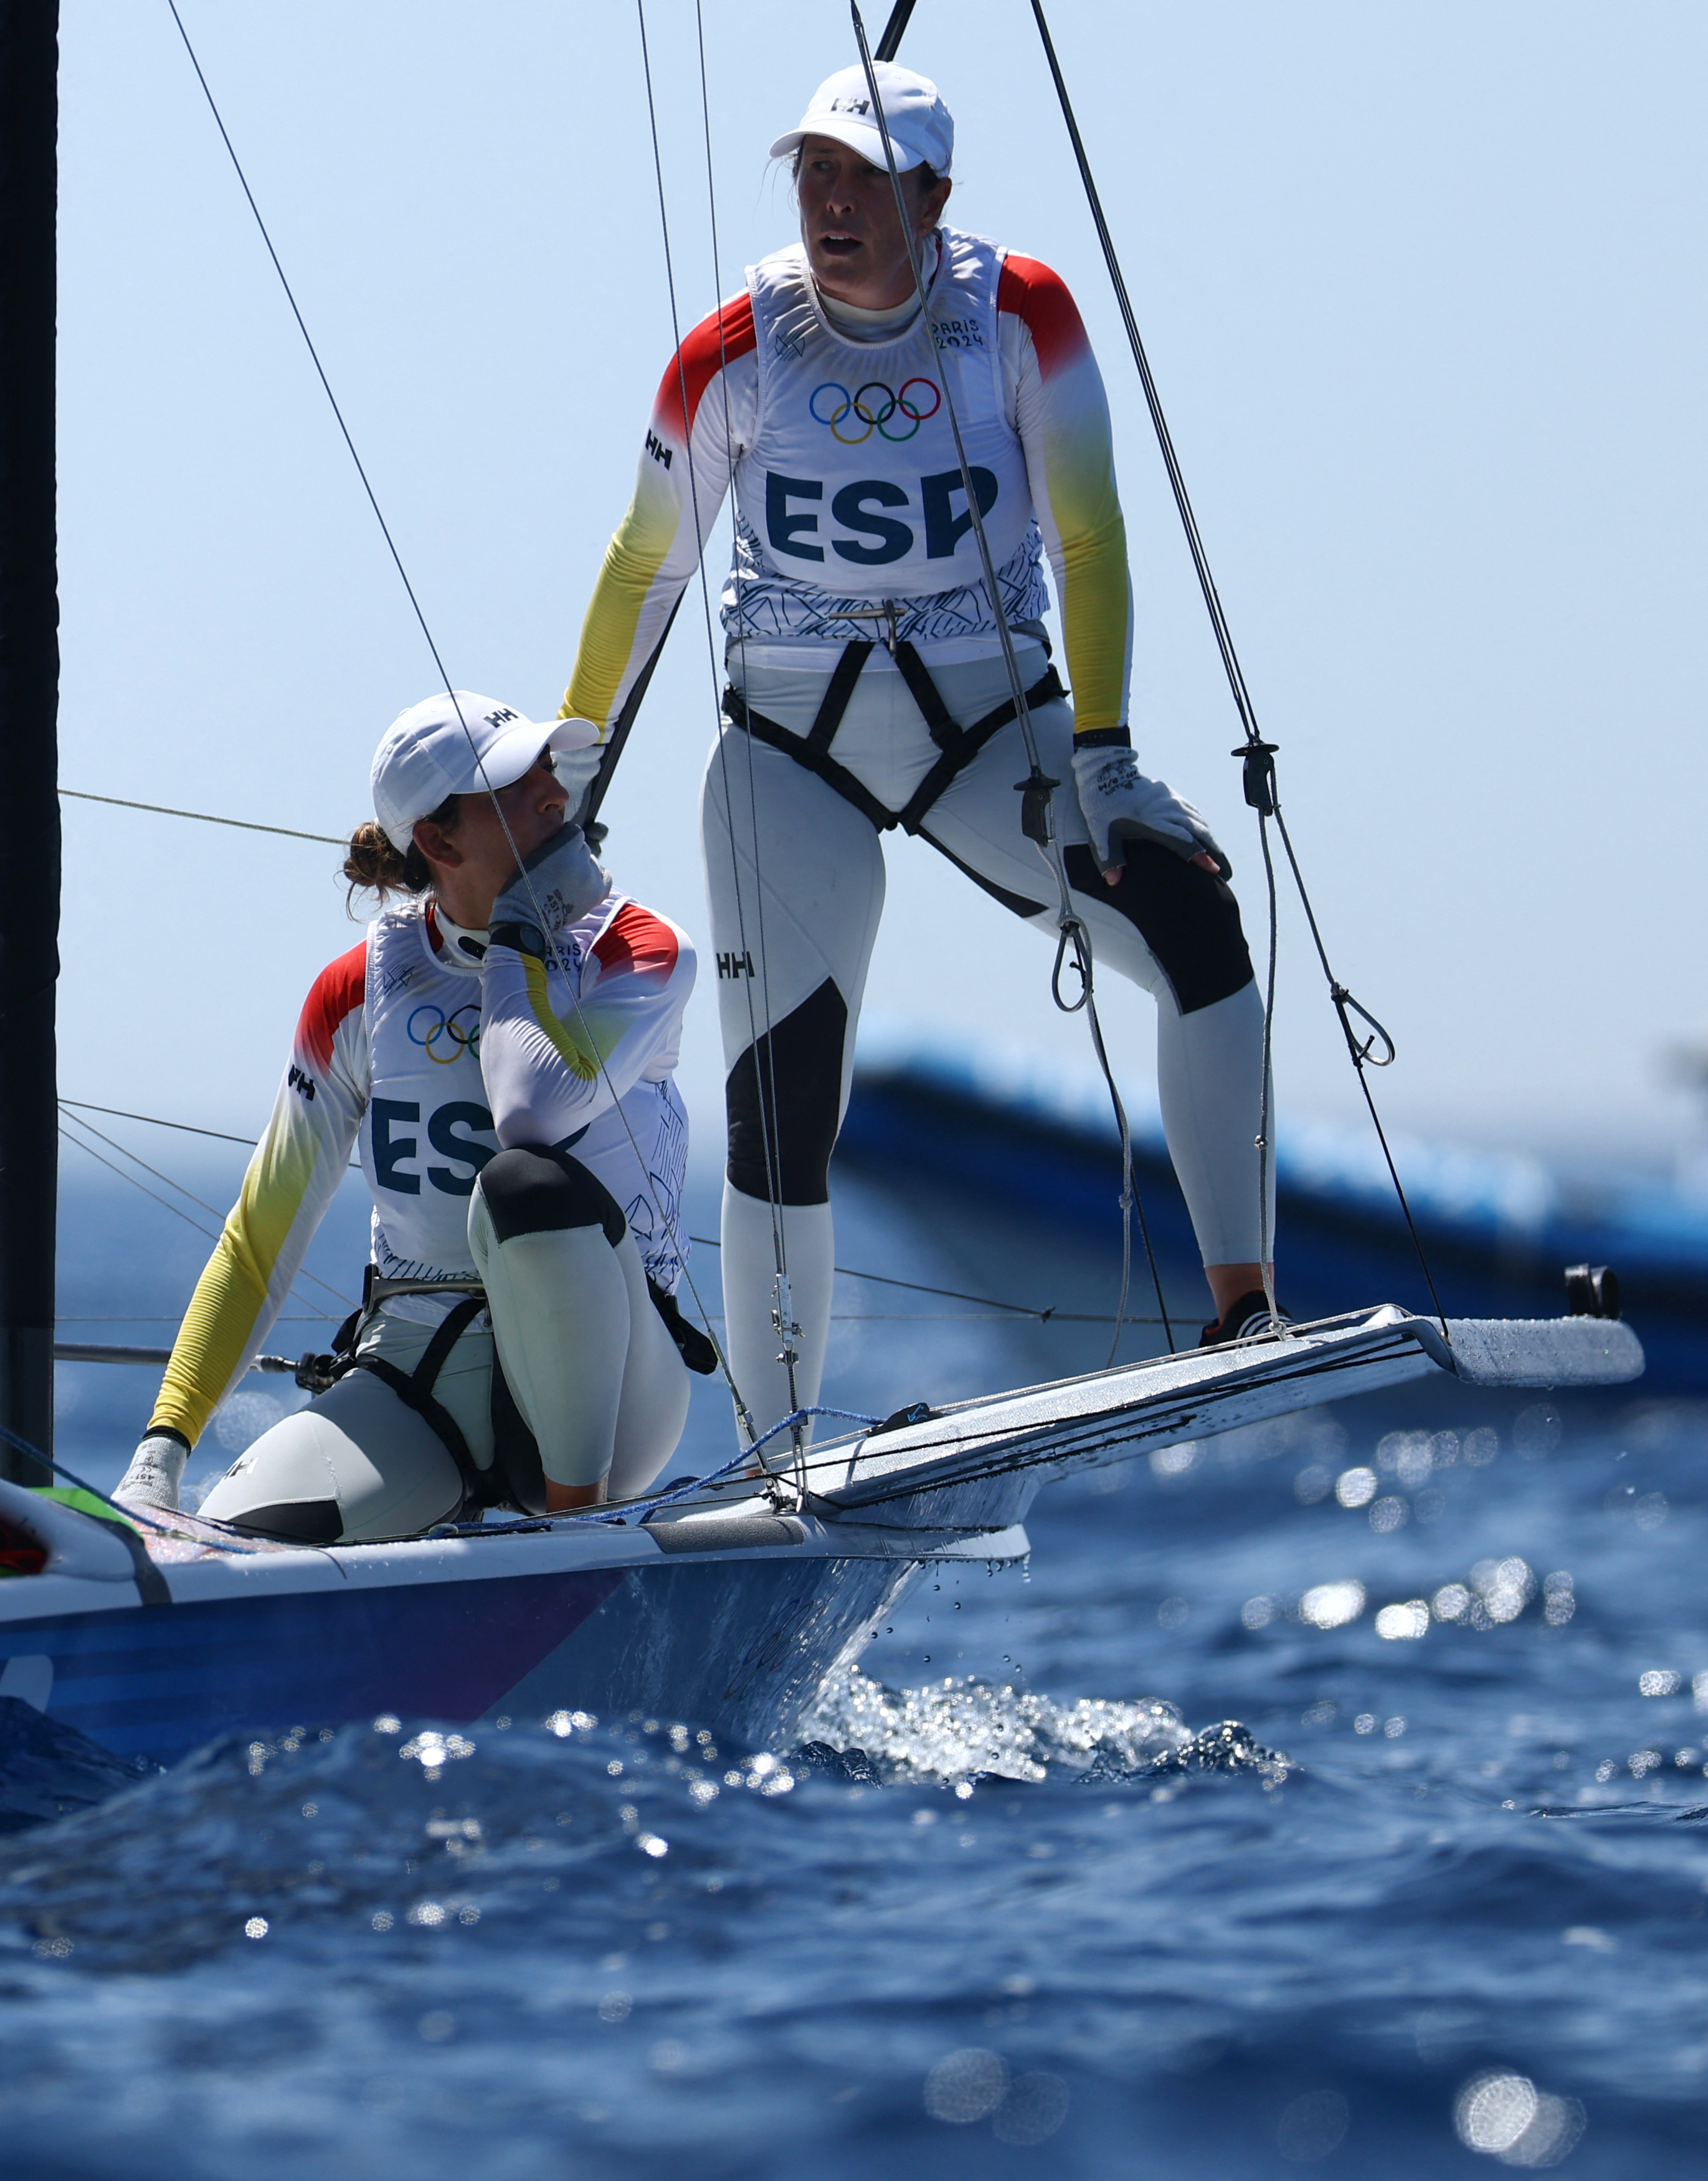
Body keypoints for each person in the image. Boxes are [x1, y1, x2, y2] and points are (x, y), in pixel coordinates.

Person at [553, 60, 1274, 1440]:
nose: (829, 201)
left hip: (989, 731)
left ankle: (1240, 1300)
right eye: (811, 173)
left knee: (1191, 919)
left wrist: (1106, 758)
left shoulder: (1018, 315)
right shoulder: (728, 352)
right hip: (788, 746)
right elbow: (642, 567)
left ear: (932, 196)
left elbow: (1089, 537)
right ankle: (780, 1459)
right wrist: (572, 772)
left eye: (861, 177)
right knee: (779, 1103)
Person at [113, 692, 707, 1541]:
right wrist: (160, 1451)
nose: (553, 791)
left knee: (523, 1186)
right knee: (227, 1544)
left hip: (610, 1396)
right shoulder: (353, 992)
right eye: (513, 780)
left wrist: (515, 938)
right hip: (415, 1375)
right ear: (436, 839)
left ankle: (575, 1544)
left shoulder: (636, 950)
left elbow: (530, 1113)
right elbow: (259, 1240)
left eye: (547, 764)